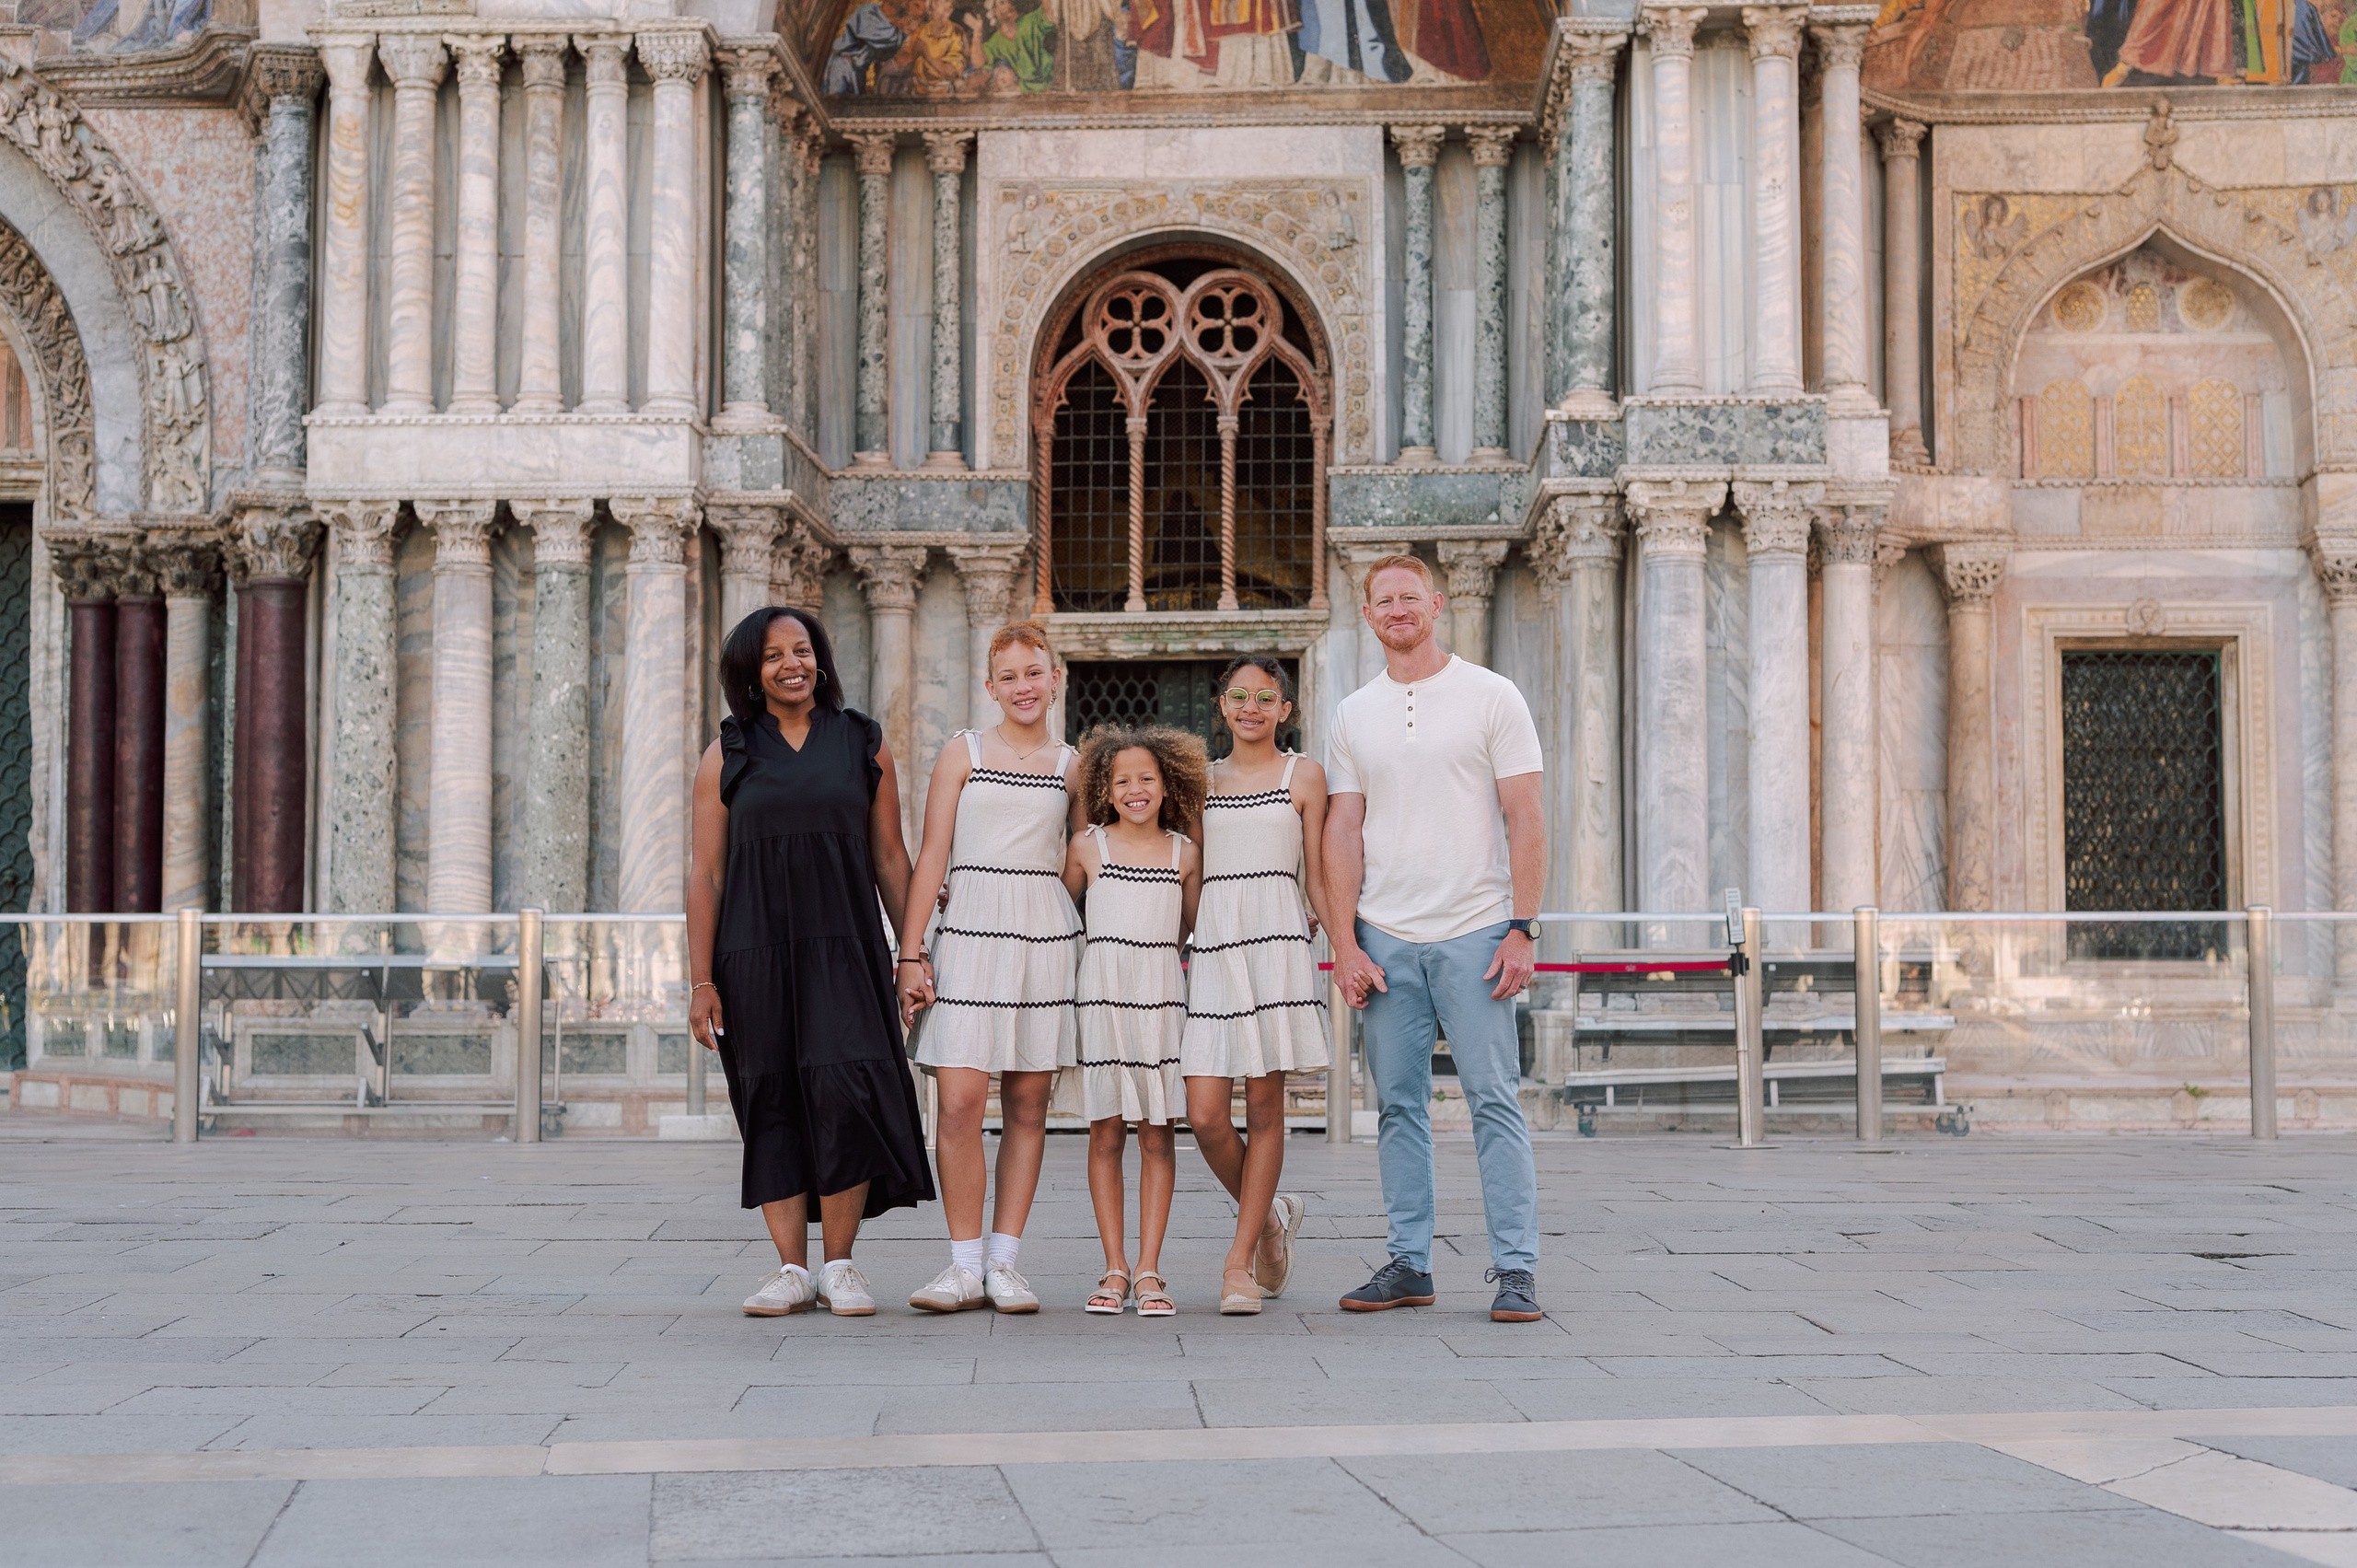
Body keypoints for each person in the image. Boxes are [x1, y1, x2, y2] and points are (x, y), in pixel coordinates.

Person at [687, 608, 935, 1319]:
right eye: (774, 654)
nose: (791, 663)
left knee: (846, 1092)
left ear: (820, 659)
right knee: (772, 1098)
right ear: (750, 669)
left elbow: (890, 855)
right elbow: (705, 874)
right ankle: (791, 1269)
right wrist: (701, 979)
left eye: (802, 649)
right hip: (753, 953)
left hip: (846, 946)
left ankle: (841, 1265)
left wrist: (911, 951)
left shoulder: (863, 743)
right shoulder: (726, 753)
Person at [1324, 555, 1547, 1324]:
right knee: (1397, 1106)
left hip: (1477, 928)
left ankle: (1515, 1267)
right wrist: (1347, 941)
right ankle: (1410, 1262)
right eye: (1382, 599)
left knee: (1494, 1100)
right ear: (1368, 613)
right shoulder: (1353, 712)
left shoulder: (1492, 695)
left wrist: (1522, 925)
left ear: (1437, 603)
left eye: (1409, 596)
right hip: (1385, 937)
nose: (1397, 608)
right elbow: (1343, 827)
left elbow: (1526, 815)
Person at [898, 621, 1081, 1313]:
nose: (1023, 686)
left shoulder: (1073, 765)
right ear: (990, 685)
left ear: (1055, 677)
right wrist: (910, 951)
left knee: (1029, 1103)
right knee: (961, 1101)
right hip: (969, 928)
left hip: (1042, 934)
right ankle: (963, 1265)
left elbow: (1079, 863)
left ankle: (1006, 1263)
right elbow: (931, 854)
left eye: (1034, 671)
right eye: (1009, 676)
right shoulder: (962, 752)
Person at [1179, 657, 1331, 1316]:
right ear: (1221, 705)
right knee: (1207, 1113)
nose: (1251, 707)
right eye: (1238, 695)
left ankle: (1240, 1261)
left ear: (1285, 708)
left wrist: (1343, 944)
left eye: (1265, 697)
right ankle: (1270, 1219)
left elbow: (1318, 876)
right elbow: (1188, 872)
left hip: (1276, 947)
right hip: (1216, 948)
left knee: (1267, 1106)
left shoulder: (1306, 776)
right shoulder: (1198, 782)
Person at [1062, 726, 1205, 1316]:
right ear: (1106, 787)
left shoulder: (1185, 853)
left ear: (1168, 784)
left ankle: (1149, 1269)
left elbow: (1192, 926)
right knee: (1105, 1131)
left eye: (1147, 778)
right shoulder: (1085, 847)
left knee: (1157, 1133)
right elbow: (1060, 914)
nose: (1136, 789)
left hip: (1160, 1000)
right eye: (1123, 780)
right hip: (1101, 998)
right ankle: (1114, 1266)